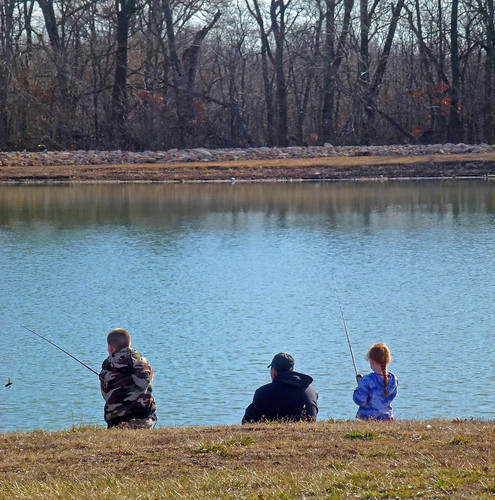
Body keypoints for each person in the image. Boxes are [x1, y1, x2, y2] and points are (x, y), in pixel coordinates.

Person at [99, 328, 157, 428]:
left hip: (116, 421)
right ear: (129, 343)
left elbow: (105, 395)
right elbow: (147, 382)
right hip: (143, 418)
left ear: (110, 348)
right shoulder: (143, 363)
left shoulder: (107, 366)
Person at [242, 352, 318, 423]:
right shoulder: (311, 391)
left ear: (273, 371)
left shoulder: (264, 392)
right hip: (306, 432)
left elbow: (247, 421)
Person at [353, 343, 397, 420]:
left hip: (367, 417)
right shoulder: (393, 379)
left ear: (372, 361)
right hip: (387, 417)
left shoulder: (367, 380)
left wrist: (359, 386)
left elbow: (360, 400)